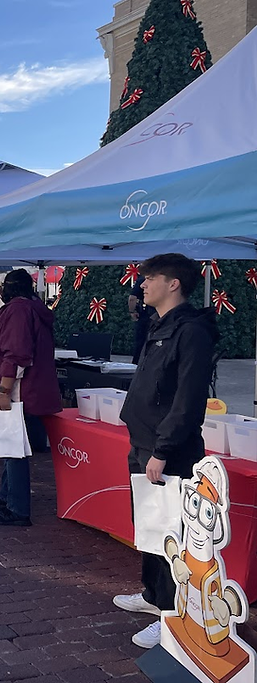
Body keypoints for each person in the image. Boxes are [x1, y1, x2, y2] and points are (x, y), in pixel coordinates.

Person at [114, 253, 217, 650]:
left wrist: (163, 449)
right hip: (144, 444)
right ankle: (153, 595)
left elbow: (188, 401)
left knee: (172, 533)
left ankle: (172, 614)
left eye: (150, 277)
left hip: (168, 451)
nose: (142, 284)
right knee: (150, 526)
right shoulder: (159, 324)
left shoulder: (191, 331)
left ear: (173, 284)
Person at [0, 269, 60, 528]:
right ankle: (7, 496)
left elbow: (17, 353)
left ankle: (17, 508)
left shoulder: (19, 310)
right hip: (24, 390)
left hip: (18, 392)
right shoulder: (28, 308)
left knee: (14, 449)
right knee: (11, 446)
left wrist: (4, 389)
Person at [128, 274, 156, 365]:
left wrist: (132, 311)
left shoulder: (142, 279)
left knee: (140, 341)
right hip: (158, 314)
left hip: (145, 314)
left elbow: (132, 298)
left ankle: (136, 364)